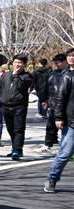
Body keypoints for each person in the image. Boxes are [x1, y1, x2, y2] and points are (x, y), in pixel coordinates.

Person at [44, 48, 74, 193]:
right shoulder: (67, 76)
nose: (72, 58)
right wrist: (59, 117)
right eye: (70, 56)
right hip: (71, 121)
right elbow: (60, 98)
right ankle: (52, 178)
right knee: (65, 153)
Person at [0, 53, 33, 160]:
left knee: (19, 129)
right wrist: (1, 98)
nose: (17, 64)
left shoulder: (27, 76)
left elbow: (21, 85)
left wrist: (16, 74)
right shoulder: (6, 75)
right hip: (6, 106)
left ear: (24, 64)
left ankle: (17, 150)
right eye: (16, 62)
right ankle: (15, 148)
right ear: (12, 63)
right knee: (10, 129)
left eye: (20, 62)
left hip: (19, 106)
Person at [39, 54, 67, 154]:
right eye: (54, 63)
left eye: (58, 63)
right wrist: (44, 100)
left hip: (67, 105)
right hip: (53, 104)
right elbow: (46, 88)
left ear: (64, 62)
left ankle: (66, 147)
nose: (56, 65)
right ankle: (48, 144)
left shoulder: (68, 74)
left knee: (66, 127)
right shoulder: (52, 74)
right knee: (50, 125)